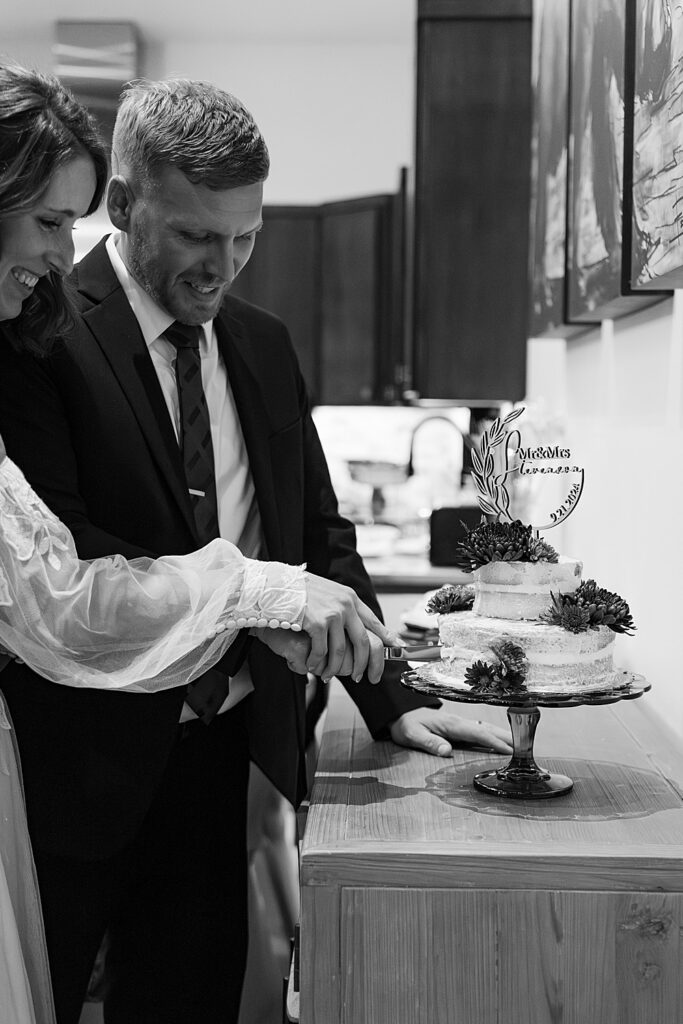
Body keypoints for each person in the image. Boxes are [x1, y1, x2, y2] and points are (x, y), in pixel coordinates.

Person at [0, 74, 511, 1023]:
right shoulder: (39, 325)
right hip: (73, 762)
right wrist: (257, 598)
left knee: (188, 997)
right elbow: (60, 557)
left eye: (244, 237)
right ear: (122, 206)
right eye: (195, 236)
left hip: (222, 748)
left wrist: (390, 696)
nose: (222, 266)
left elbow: (315, 534)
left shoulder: (264, 343)